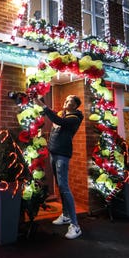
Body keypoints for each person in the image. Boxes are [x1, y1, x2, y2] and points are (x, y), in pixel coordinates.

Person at [34, 94, 84, 239]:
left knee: (64, 187)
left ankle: (75, 226)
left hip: (62, 155)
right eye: (66, 99)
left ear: (74, 106)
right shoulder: (63, 114)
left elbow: (57, 120)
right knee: (60, 185)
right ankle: (66, 215)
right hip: (54, 154)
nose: (65, 101)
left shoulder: (74, 118)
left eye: (69, 101)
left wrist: (44, 106)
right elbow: (52, 116)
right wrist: (39, 103)